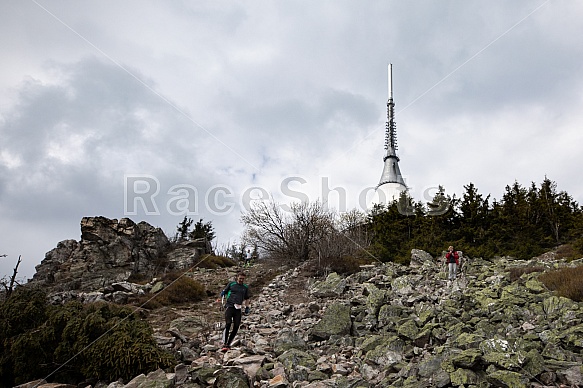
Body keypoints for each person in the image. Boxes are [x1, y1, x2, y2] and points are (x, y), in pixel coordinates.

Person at [217, 272, 251, 351]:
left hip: (238, 308)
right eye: (240, 278)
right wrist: (222, 296)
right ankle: (224, 343)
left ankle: (229, 344)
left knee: (236, 326)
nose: (241, 280)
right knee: (228, 323)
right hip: (229, 306)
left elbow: (247, 298)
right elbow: (224, 291)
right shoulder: (231, 284)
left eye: (243, 279)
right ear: (237, 278)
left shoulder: (245, 287)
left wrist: (247, 307)